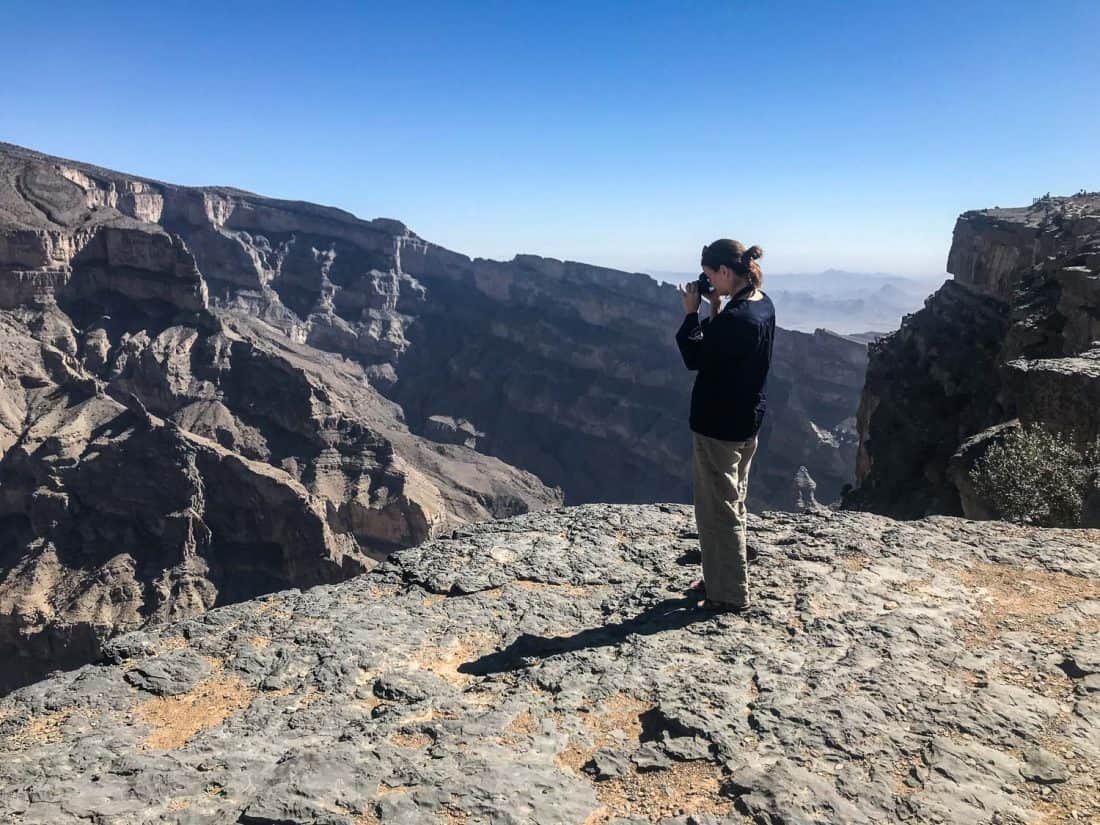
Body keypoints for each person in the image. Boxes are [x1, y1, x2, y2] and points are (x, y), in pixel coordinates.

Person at [674, 240, 775, 612]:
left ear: (725, 273)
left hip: (719, 427)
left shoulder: (737, 319)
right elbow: (726, 353)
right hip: (746, 420)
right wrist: (715, 307)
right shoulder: (760, 304)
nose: (705, 281)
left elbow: (696, 356)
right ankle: (720, 574)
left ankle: (729, 594)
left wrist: (690, 314)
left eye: (709, 275)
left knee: (718, 510)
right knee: (733, 501)